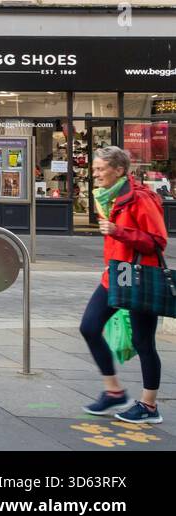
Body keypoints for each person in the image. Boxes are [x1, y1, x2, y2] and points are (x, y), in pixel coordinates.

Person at [80, 145, 167, 423]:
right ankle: (114, 391)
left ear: (119, 170)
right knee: (90, 327)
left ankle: (149, 406)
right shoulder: (107, 198)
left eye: (100, 168)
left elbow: (157, 241)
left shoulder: (141, 198)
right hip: (117, 274)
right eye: (94, 169)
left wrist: (119, 231)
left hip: (139, 275)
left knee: (144, 341)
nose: (95, 174)